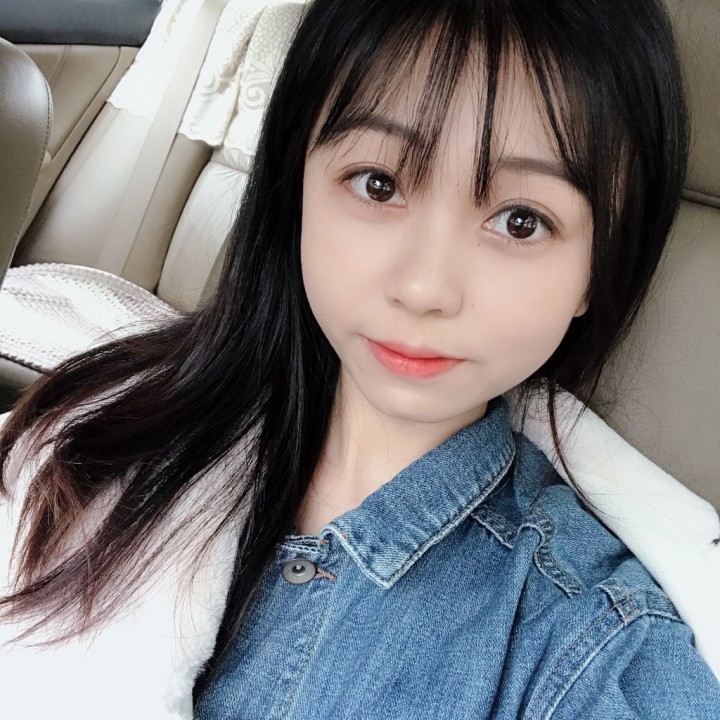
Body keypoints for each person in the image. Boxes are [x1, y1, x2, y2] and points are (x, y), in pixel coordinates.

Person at [0, 0, 719, 717]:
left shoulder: (595, 651)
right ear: (296, 187)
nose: (424, 288)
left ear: (598, 268)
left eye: (521, 221)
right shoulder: (97, 430)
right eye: (379, 184)